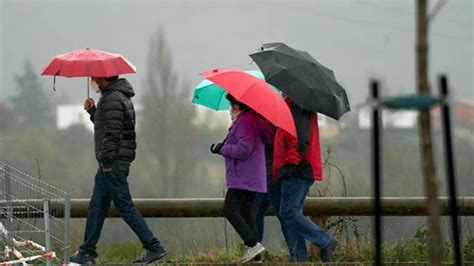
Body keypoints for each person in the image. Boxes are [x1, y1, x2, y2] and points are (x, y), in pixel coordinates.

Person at [69, 76, 166, 264]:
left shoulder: (112, 98)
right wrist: (93, 111)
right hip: (113, 163)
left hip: (111, 164)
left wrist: (106, 161)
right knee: (97, 207)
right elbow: (107, 124)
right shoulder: (116, 96)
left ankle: (153, 246)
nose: (92, 81)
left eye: (94, 78)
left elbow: (112, 133)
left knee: (124, 206)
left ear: (103, 78)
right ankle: (86, 251)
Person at [273, 97, 338, 262]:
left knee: (289, 211)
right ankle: (299, 257)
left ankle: (324, 242)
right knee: (291, 212)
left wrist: (289, 164)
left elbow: (301, 141)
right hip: (299, 169)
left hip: (297, 169)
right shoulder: (299, 105)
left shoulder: (296, 106)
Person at [210, 94, 268, 263]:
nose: (230, 109)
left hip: (243, 176)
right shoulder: (250, 120)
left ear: (237, 106)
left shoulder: (245, 121)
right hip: (251, 176)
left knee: (230, 209)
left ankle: (253, 245)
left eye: (231, 105)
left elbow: (244, 150)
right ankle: (256, 255)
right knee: (247, 212)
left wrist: (223, 149)